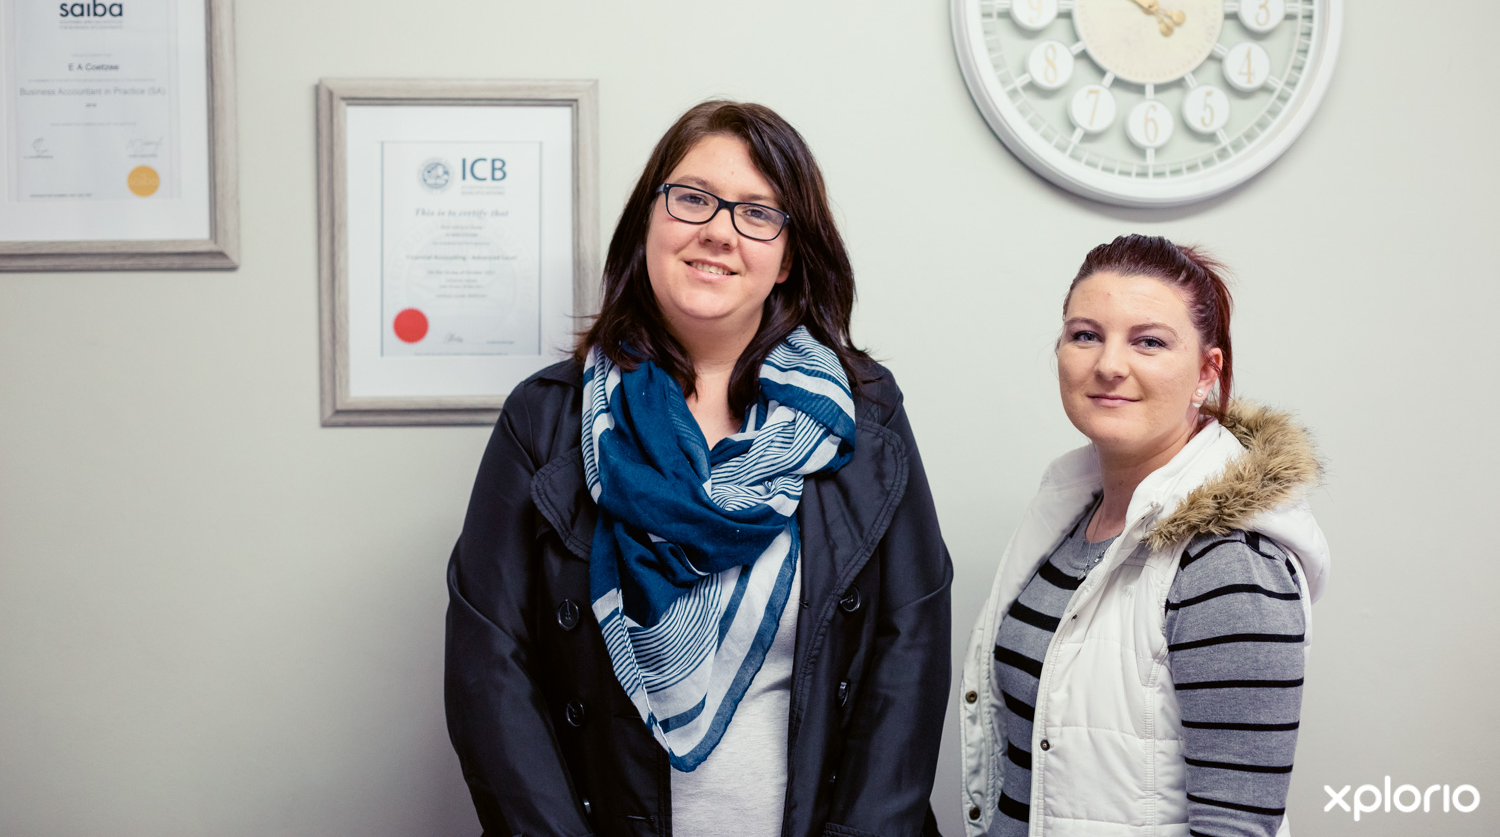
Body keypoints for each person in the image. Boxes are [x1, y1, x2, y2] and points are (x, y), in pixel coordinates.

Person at [446, 100, 951, 837]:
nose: (718, 230)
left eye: (758, 213)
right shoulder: (547, 417)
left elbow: (910, 646)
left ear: (788, 259)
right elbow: (489, 669)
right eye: (692, 199)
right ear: (647, 223)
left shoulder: (862, 412)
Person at [959, 235, 1330, 837]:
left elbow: (1236, 825)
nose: (1109, 364)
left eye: (1149, 341)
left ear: (1206, 373)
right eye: (1086, 335)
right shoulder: (1069, 518)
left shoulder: (1229, 561)